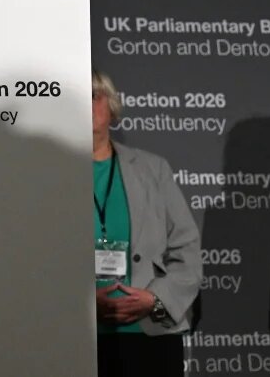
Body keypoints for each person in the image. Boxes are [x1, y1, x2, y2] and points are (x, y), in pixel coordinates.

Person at [90, 70, 201, 377]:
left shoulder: (153, 168)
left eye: (92, 96)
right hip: (75, 337)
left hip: (149, 333)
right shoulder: (46, 175)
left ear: (111, 107)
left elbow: (187, 251)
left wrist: (155, 299)